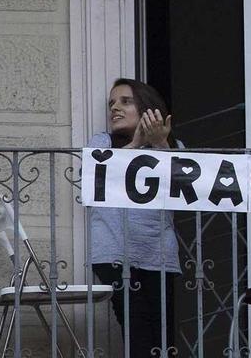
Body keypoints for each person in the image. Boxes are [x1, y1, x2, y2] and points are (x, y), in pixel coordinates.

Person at [88, 78, 180, 358]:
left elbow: (183, 188)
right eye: (112, 103)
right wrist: (138, 143)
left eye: (125, 101)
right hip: (114, 251)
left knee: (163, 332)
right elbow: (97, 176)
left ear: (146, 108)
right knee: (136, 326)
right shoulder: (101, 142)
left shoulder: (173, 146)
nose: (115, 108)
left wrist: (161, 143)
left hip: (158, 252)